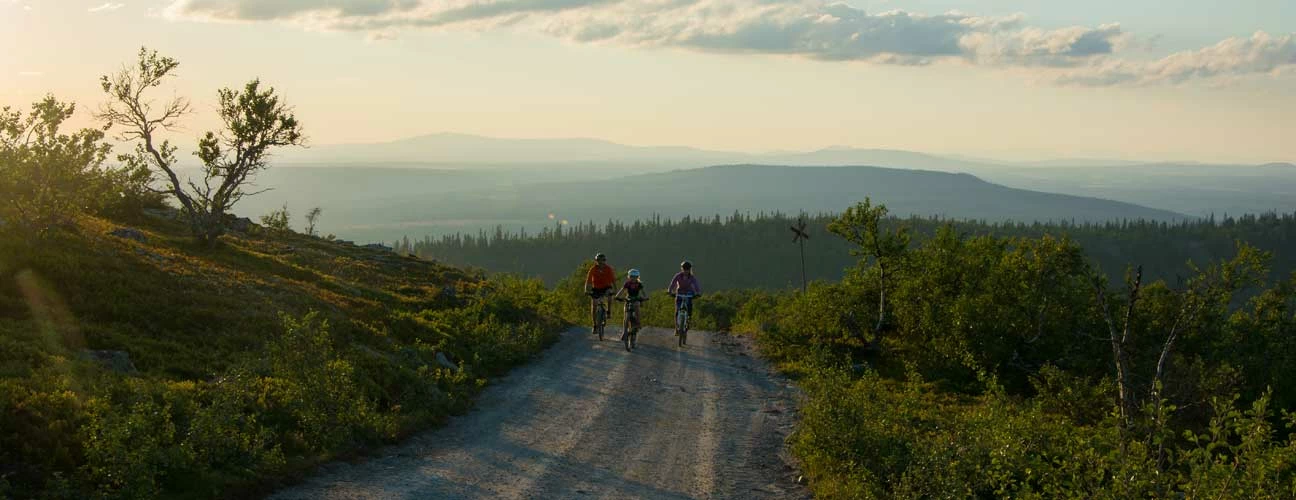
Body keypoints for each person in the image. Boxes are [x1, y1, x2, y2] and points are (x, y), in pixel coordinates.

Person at [583, 253, 616, 334]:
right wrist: (586, 290)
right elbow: (588, 281)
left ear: (605, 261)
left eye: (603, 260)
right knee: (594, 305)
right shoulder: (593, 269)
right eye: (599, 261)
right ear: (596, 261)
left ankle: (609, 311)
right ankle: (594, 325)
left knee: (609, 294)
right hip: (596, 288)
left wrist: (615, 290)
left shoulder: (608, 269)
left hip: (606, 287)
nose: (601, 262)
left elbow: (613, 280)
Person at [667, 260, 702, 334]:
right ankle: (676, 328)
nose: (686, 270)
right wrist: (669, 291)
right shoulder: (678, 275)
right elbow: (673, 283)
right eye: (684, 269)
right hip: (679, 293)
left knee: (689, 311)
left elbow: (696, 285)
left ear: (690, 269)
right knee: (677, 311)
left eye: (687, 269)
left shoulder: (692, 277)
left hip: (689, 293)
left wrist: (698, 293)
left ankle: (687, 325)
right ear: (682, 269)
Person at [614, 269, 646, 341]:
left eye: (635, 277)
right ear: (629, 277)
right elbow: (622, 290)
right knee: (625, 316)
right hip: (628, 298)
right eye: (632, 276)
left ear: (638, 277)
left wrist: (645, 297)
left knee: (637, 307)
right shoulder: (627, 283)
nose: (633, 278)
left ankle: (638, 323)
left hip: (636, 298)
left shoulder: (639, 284)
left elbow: (643, 292)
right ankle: (624, 332)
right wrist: (617, 296)